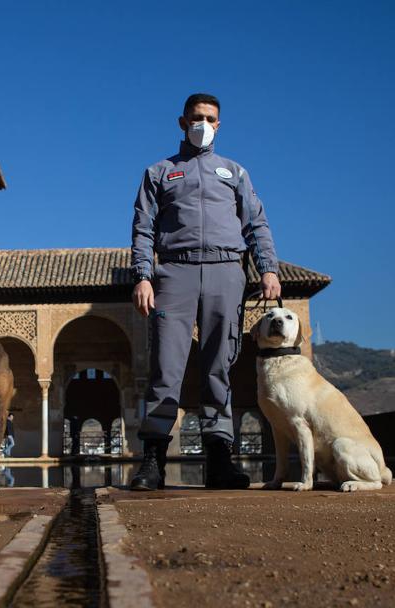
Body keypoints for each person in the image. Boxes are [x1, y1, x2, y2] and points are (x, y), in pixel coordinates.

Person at [129, 93, 281, 491]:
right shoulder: (159, 172)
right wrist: (143, 276)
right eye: (197, 118)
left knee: (219, 366)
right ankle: (153, 460)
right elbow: (143, 229)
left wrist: (268, 269)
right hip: (175, 272)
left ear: (219, 124)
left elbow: (257, 225)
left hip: (226, 271)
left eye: (210, 119)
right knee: (167, 366)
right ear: (182, 122)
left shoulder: (235, 173)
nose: (203, 125)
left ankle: (219, 459)